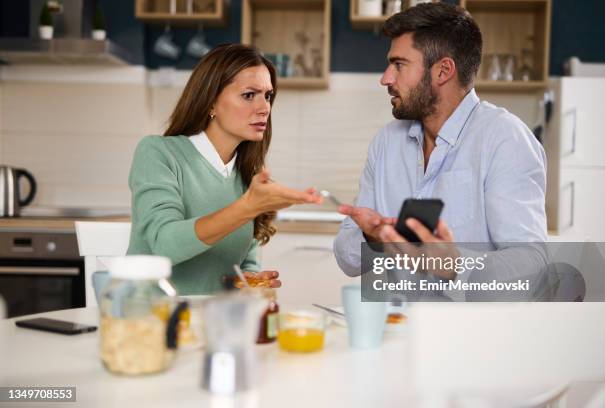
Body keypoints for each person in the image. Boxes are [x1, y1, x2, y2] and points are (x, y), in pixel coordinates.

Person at [333, 3, 548, 283]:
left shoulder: (505, 139)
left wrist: (456, 264)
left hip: (470, 325)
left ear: (443, 70)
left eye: (399, 65)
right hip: (397, 322)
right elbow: (346, 259)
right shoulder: (386, 143)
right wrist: (372, 237)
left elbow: (532, 263)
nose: (385, 78)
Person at [127, 44, 322, 295]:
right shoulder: (158, 153)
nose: (265, 108)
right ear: (211, 102)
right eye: (249, 95)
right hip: (149, 322)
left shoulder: (247, 178)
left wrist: (249, 280)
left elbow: (245, 264)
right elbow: (164, 245)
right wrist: (248, 207)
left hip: (215, 323)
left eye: (268, 96)